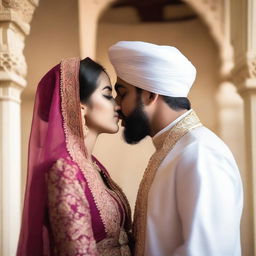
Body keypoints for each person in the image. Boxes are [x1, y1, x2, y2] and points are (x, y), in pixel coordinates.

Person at [108, 41, 243, 256]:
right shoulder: (174, 149)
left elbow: (207, 251)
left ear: (150, 95)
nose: (116, 105)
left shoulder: (200, 153)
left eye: (122, 93)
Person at [17, 57, 132, 256]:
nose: (118, 106)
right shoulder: (64, 170)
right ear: (80, 106)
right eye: (107, 95)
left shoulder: (95, 166)